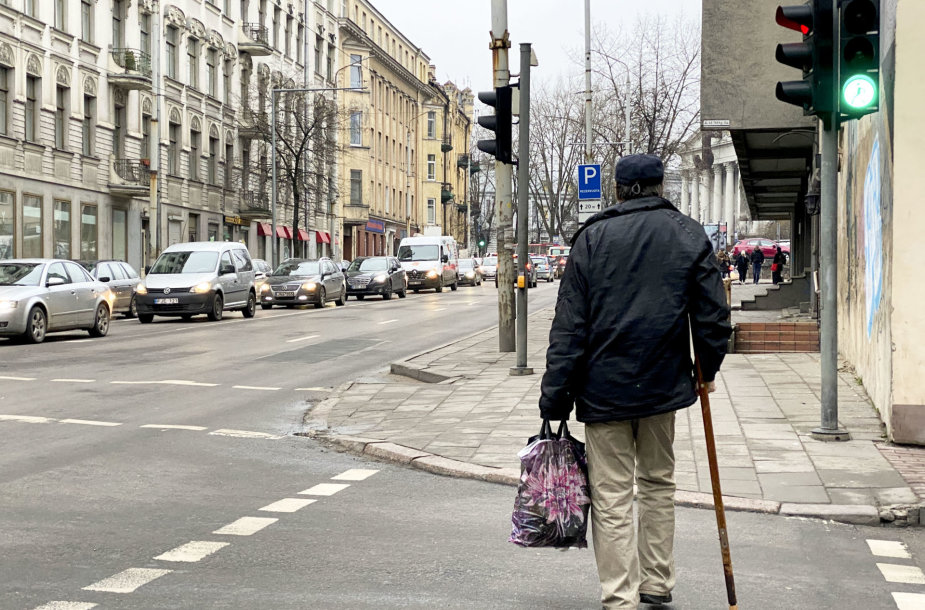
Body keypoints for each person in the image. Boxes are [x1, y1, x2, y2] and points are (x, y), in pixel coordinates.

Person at [540, 154, 731, 610]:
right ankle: (658, 581)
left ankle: (619, 597)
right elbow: (713, 320)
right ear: (660, 185)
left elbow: (570, 326)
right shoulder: (688, 234)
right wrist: (705, 370)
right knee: (658, 483)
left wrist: (555, 396)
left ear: (619, 189)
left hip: (603, 389)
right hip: (663, 386)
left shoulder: (592, 239)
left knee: (611, 494)